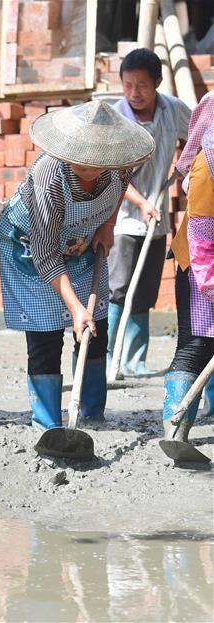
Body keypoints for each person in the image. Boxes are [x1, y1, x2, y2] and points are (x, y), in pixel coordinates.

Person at [0, 100, 154, 431]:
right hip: (29, 248)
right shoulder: (48, 175)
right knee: (47, 332)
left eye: (98, 165)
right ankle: (48, 423)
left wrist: (108, 225)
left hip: (81, 240)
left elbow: (121, 187)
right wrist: (74, 308)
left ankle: (91, 412)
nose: (91, 172)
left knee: (96, 326)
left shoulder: (120, 164)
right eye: (83, 165)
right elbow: (45, 254)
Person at [108, 49, 191, 376]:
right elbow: (112, 174)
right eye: (128, 85)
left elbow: (199, 137)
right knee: (118, 289)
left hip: (156, 220)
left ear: (157, 82)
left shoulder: (173, 110)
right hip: (123, 218)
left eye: (141, 85)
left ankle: (134, 361)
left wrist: (184, 168)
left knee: (144, 293)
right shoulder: (116, 117)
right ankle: (108, 358)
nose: (134, 93)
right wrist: (142, 204)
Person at [165, 127, 214, 444]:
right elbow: (201, 235)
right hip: (202, 264)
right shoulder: (209, 163)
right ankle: (175, 430)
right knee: (197, 345)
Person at [174, 91, 214, 417]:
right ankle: (176, 423)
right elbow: (202, 245)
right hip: (201, 266)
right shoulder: (206, 170)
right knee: (197, 345)